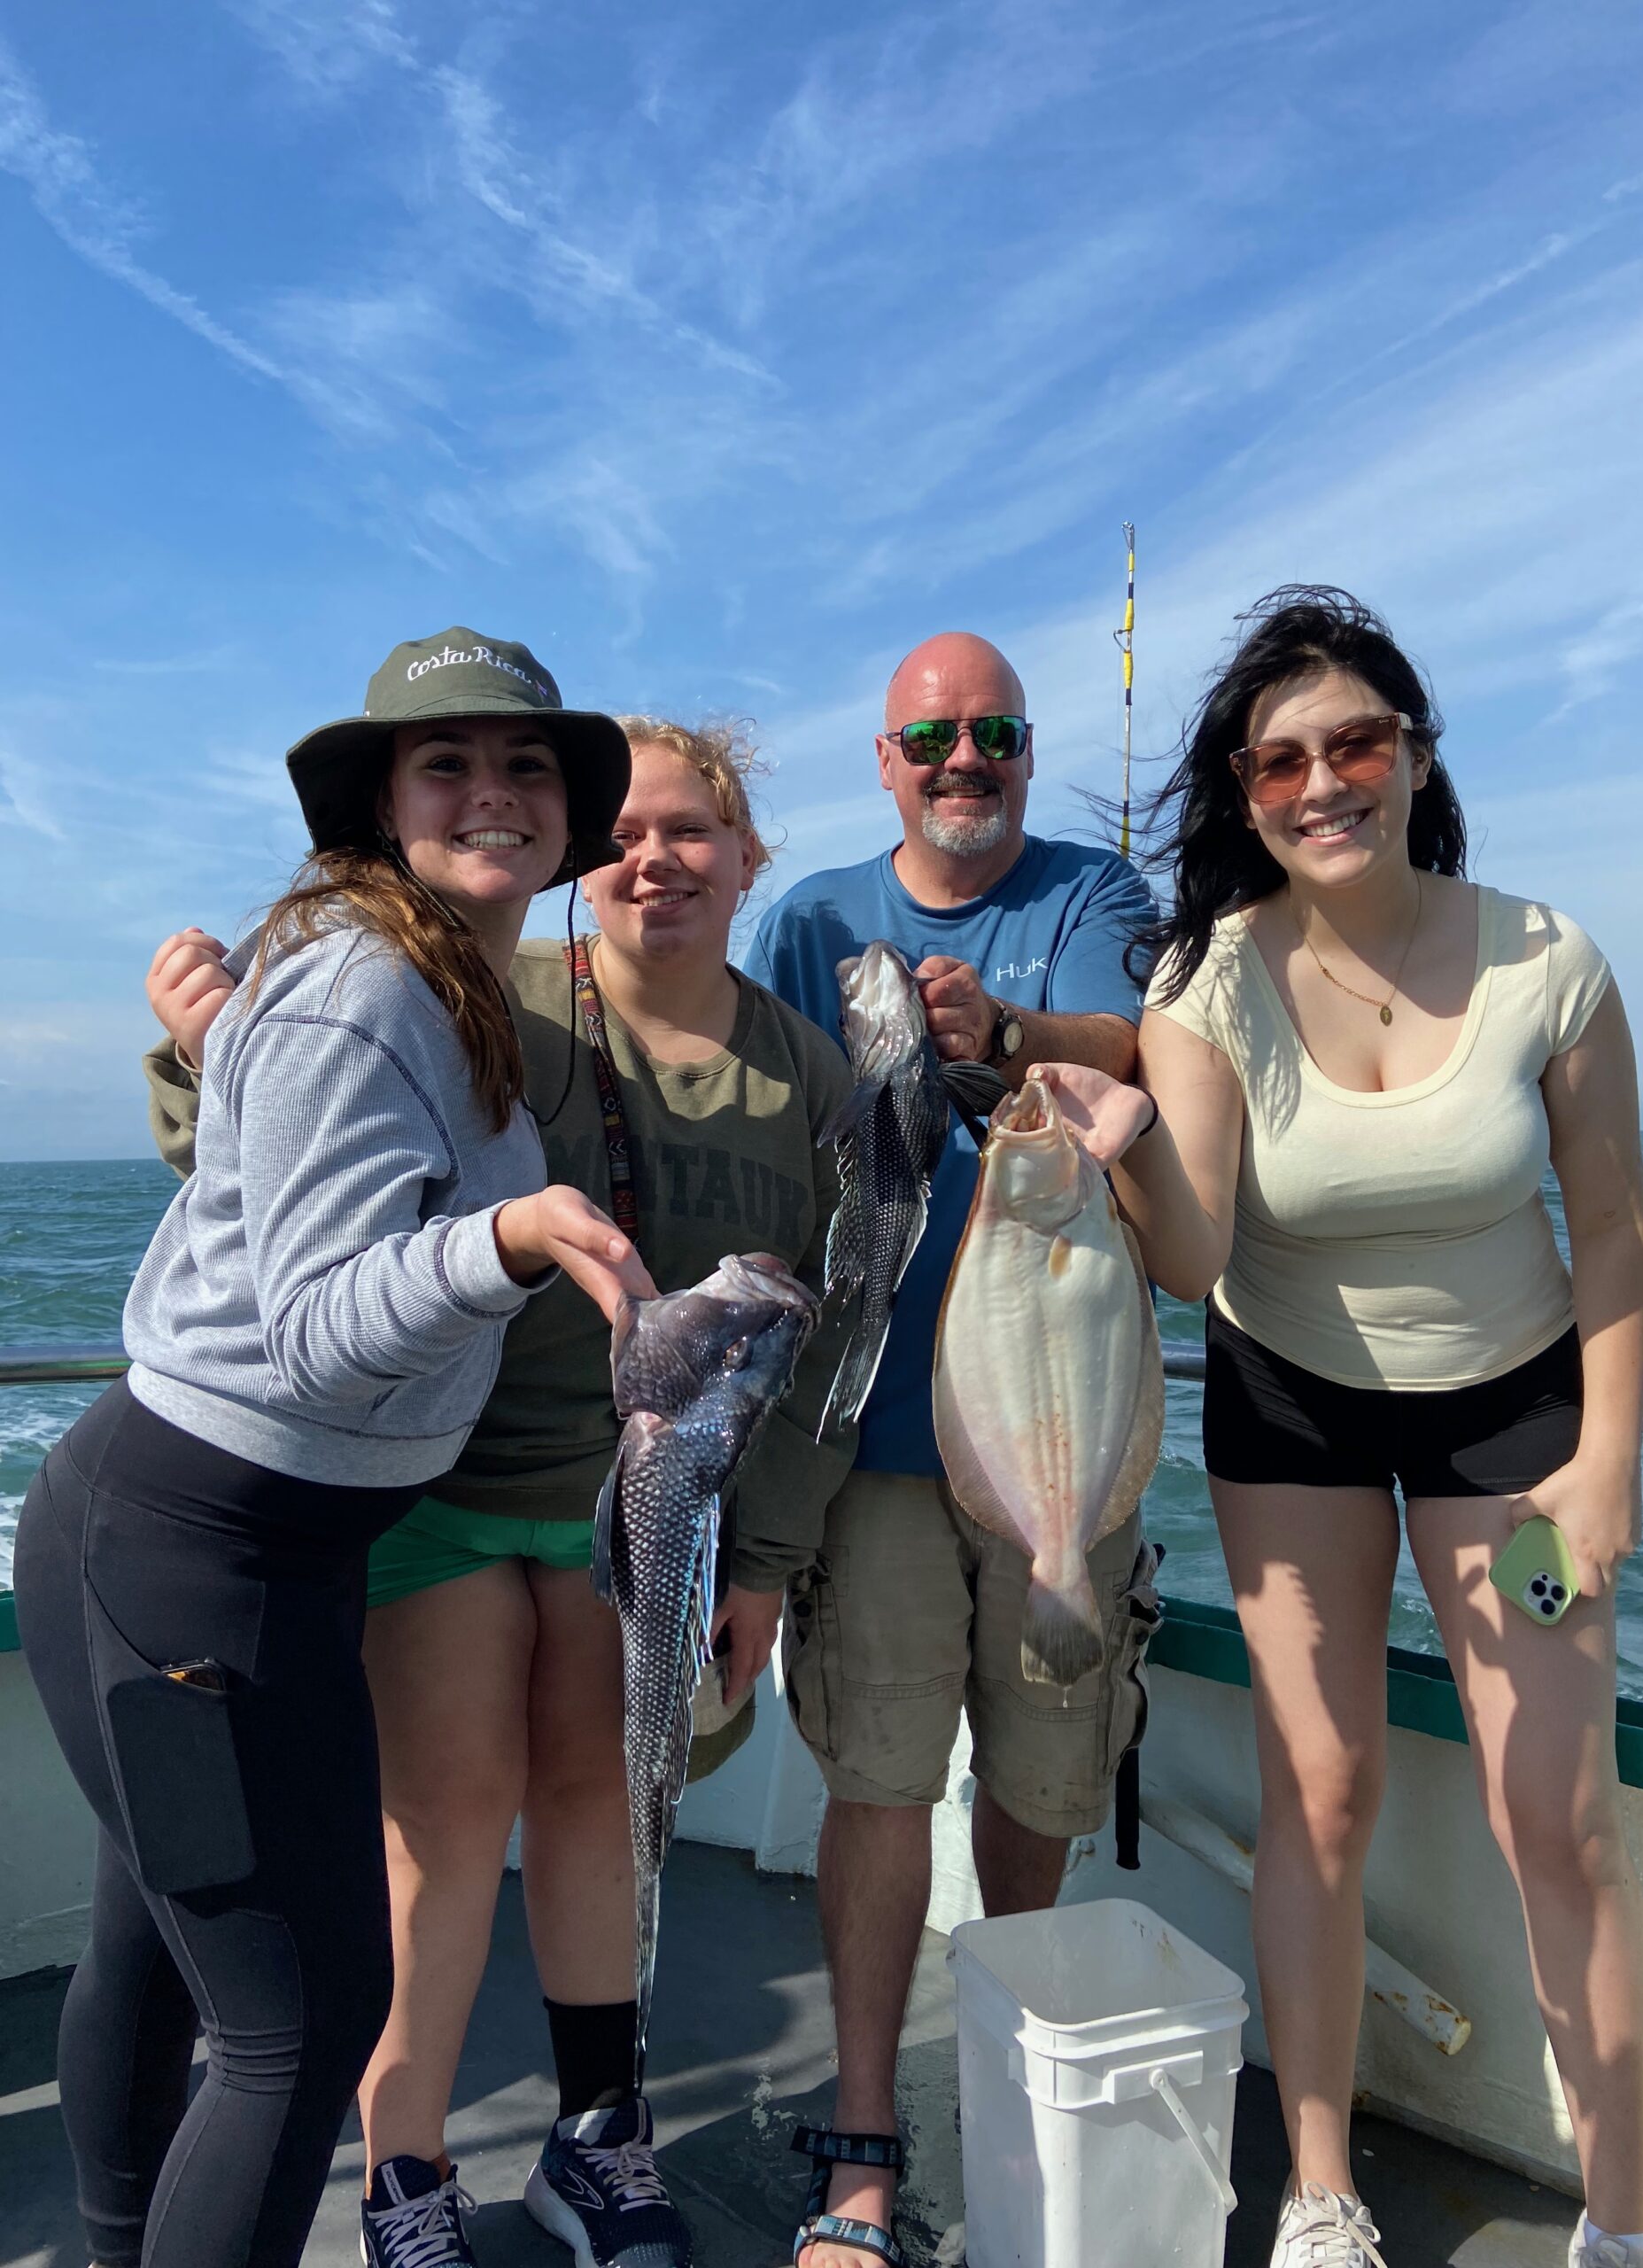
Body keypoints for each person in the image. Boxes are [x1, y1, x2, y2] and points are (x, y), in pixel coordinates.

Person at [143, 718, 856, 2268]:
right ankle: (407, 2172)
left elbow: (833, 1330)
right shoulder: (480, 993)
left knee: (601, 1809)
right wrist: (192, 1047)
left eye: (694, 831)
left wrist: (768, 1556)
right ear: (587, 858)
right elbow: (272, 1153)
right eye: (630, 833)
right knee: (448, 1822)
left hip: (654, 1511)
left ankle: (599, 2144)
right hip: (449, 1486)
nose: (655, 859)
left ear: (749, 859)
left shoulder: (804, 1074)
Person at [1040, 588, 1643, 2268]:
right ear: (1245, 795)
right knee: (1320, 1786)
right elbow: (1195, 1256)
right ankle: (1319, 2190)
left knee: (1562, 1812)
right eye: (1282, 761)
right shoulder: (1211, 978)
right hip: (1292, 1417)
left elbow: (1611, 1228)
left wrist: (1603, 1465)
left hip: (1513, 1439)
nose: (1325, 782)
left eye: (1358, 743)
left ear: (1416, 754)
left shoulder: (1549, 958)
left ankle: (1615, 2222)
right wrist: (1123, 1141)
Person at [13, 629, 647, 2268]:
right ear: (381, 804)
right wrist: (503, 1240)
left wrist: (224, 1033)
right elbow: (307, 1328)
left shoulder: (422, 985)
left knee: (154, 1953)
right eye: (449, 766)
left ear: (570, 817)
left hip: (232, 1551)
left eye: (527, 769)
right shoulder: (375, 981)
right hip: (191, 1555)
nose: (493, 795)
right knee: (304, 2019)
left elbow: (288, 1141)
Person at [746, 632, 1159, 2268]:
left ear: (1028, 750)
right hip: (872, 1440)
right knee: (879, 1778)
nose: (961, 758)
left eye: (991, 733)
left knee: (1047, 1777)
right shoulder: (812, 920)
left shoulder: (1094, 895)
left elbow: (1136, 1057)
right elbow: (758, 1107)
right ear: (885, 757)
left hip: (1063, 1433)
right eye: (932, 736)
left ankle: (1006, 2089)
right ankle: (861, 2136)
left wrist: (1003, 1036)